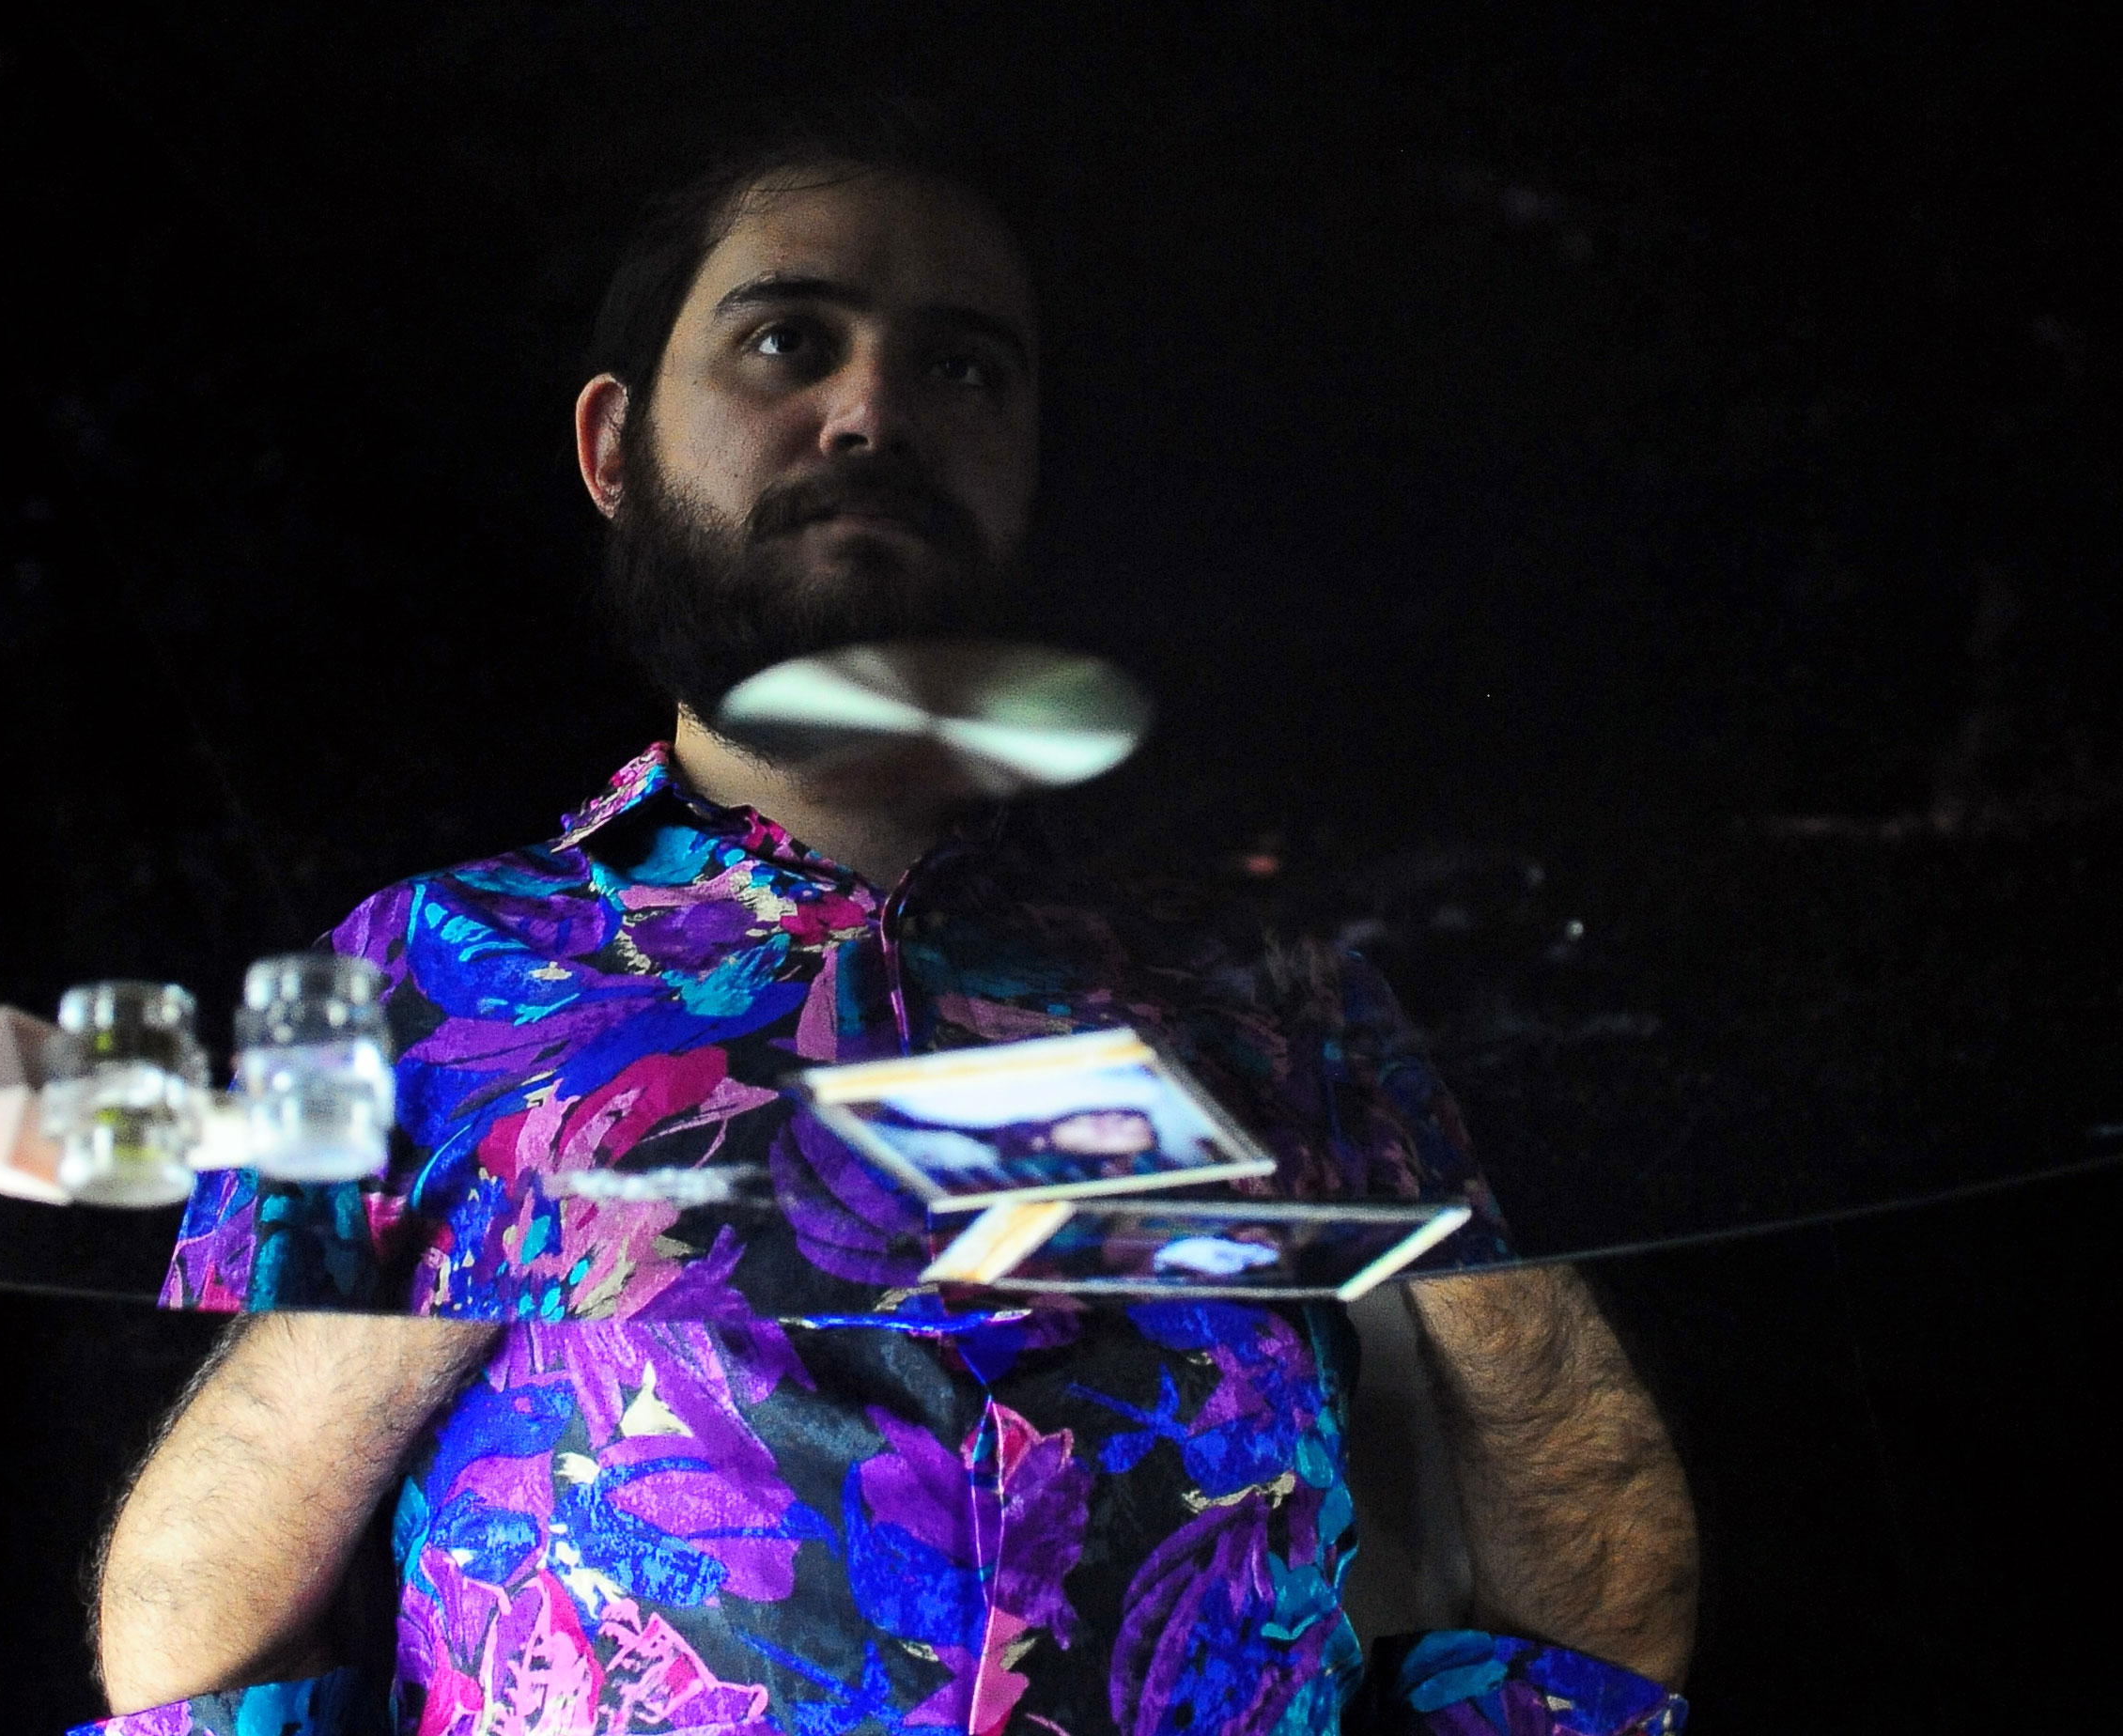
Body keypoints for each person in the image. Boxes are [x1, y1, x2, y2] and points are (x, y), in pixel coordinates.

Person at [85, 129, 1698, 1736]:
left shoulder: (1272, 994)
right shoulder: (414, 975)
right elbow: (190, 1650)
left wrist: (1389, 1165)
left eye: (963, 368)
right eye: (789, 340)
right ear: (614, 447)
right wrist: (520, 1186)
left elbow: (1604, 1619)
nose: (875, 412)